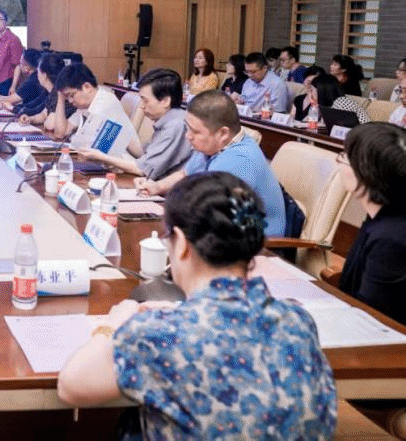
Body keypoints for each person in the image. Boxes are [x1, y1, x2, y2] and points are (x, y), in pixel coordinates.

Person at [58, 171, 337, 440]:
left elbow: (71, 386)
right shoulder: (298, 321)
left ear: (181, 244)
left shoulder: (157, 335)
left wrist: (112, 324)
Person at [136, 91, 286, 236]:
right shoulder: (213, 146)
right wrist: (157, 187)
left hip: (254, 242)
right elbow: (184, 174)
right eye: (187, 127)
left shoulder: (238, 160)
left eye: (195, 131)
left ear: (223, 134)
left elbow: (209, 213)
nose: (188, 136)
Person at [338, 122, 406, 326]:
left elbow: (371, 318)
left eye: (344, 156)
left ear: (366, 172)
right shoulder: (381, 215)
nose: (339, 161)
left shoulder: (391, 239)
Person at [77, 69, 191, 179]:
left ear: (165, 101)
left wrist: (101, 157)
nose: (141, 105)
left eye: (145, 100)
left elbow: (144, 170)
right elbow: (144, 156)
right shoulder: (167, 121)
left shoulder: (175, 125)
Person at [50, 63, 142, 158]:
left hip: (122, 162)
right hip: (100, 160)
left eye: (71, 95)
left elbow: (96, 149)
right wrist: (61, 96)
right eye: (67, 97)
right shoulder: (85, 106)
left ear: (87, 87)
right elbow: (61, 133)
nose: (70, 101)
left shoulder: (105, 103)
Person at [17, 52, 66, 127]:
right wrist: (30, 119)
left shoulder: (59, 94)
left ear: (44, 75)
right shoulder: (51, 93)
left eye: (38, 71)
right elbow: (43, 114)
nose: (37, 75)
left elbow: (50, 125)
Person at [0, 49, 45, 113]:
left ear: (26, 67)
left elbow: (10, 100)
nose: (19, 66)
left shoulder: (32, 81)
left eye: (20, 63)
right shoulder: (34, 77)